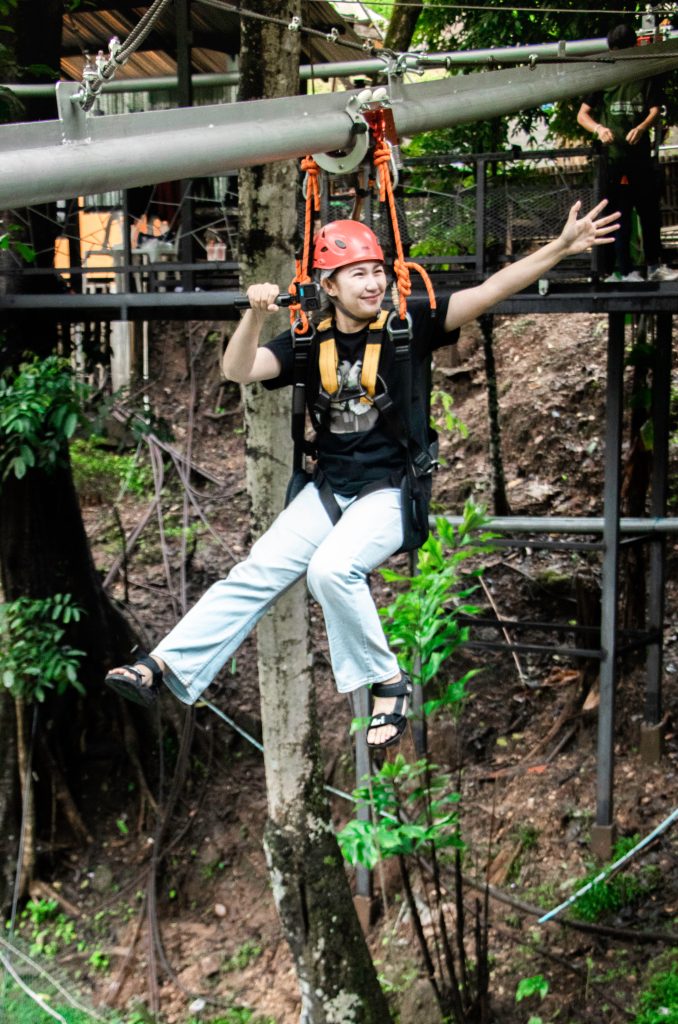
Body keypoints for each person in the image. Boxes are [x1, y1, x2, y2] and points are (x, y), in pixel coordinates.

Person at [105, 200, 618, 750]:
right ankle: (160, 665)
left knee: (332, 569)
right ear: (329, 284)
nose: (373, 284)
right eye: (359, 274)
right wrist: (255, 315)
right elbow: (239, 371)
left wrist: (560, 247)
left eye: (377, 271)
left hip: (391, 492)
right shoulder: (308, 338)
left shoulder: (410, 324)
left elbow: (490, 290)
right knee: (256, 571)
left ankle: (388, 682)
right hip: (330, 490)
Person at [577, 22, 678, 283]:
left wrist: (642, 127)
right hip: (615, 162)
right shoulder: (605, 75)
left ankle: (655, 265)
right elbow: (583, 115)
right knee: (619, 213)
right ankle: (624, 270)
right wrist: (599, 129)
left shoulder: (644, 73)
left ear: (633, 48)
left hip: (640, 159)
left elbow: (656, 109)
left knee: (649, 212)